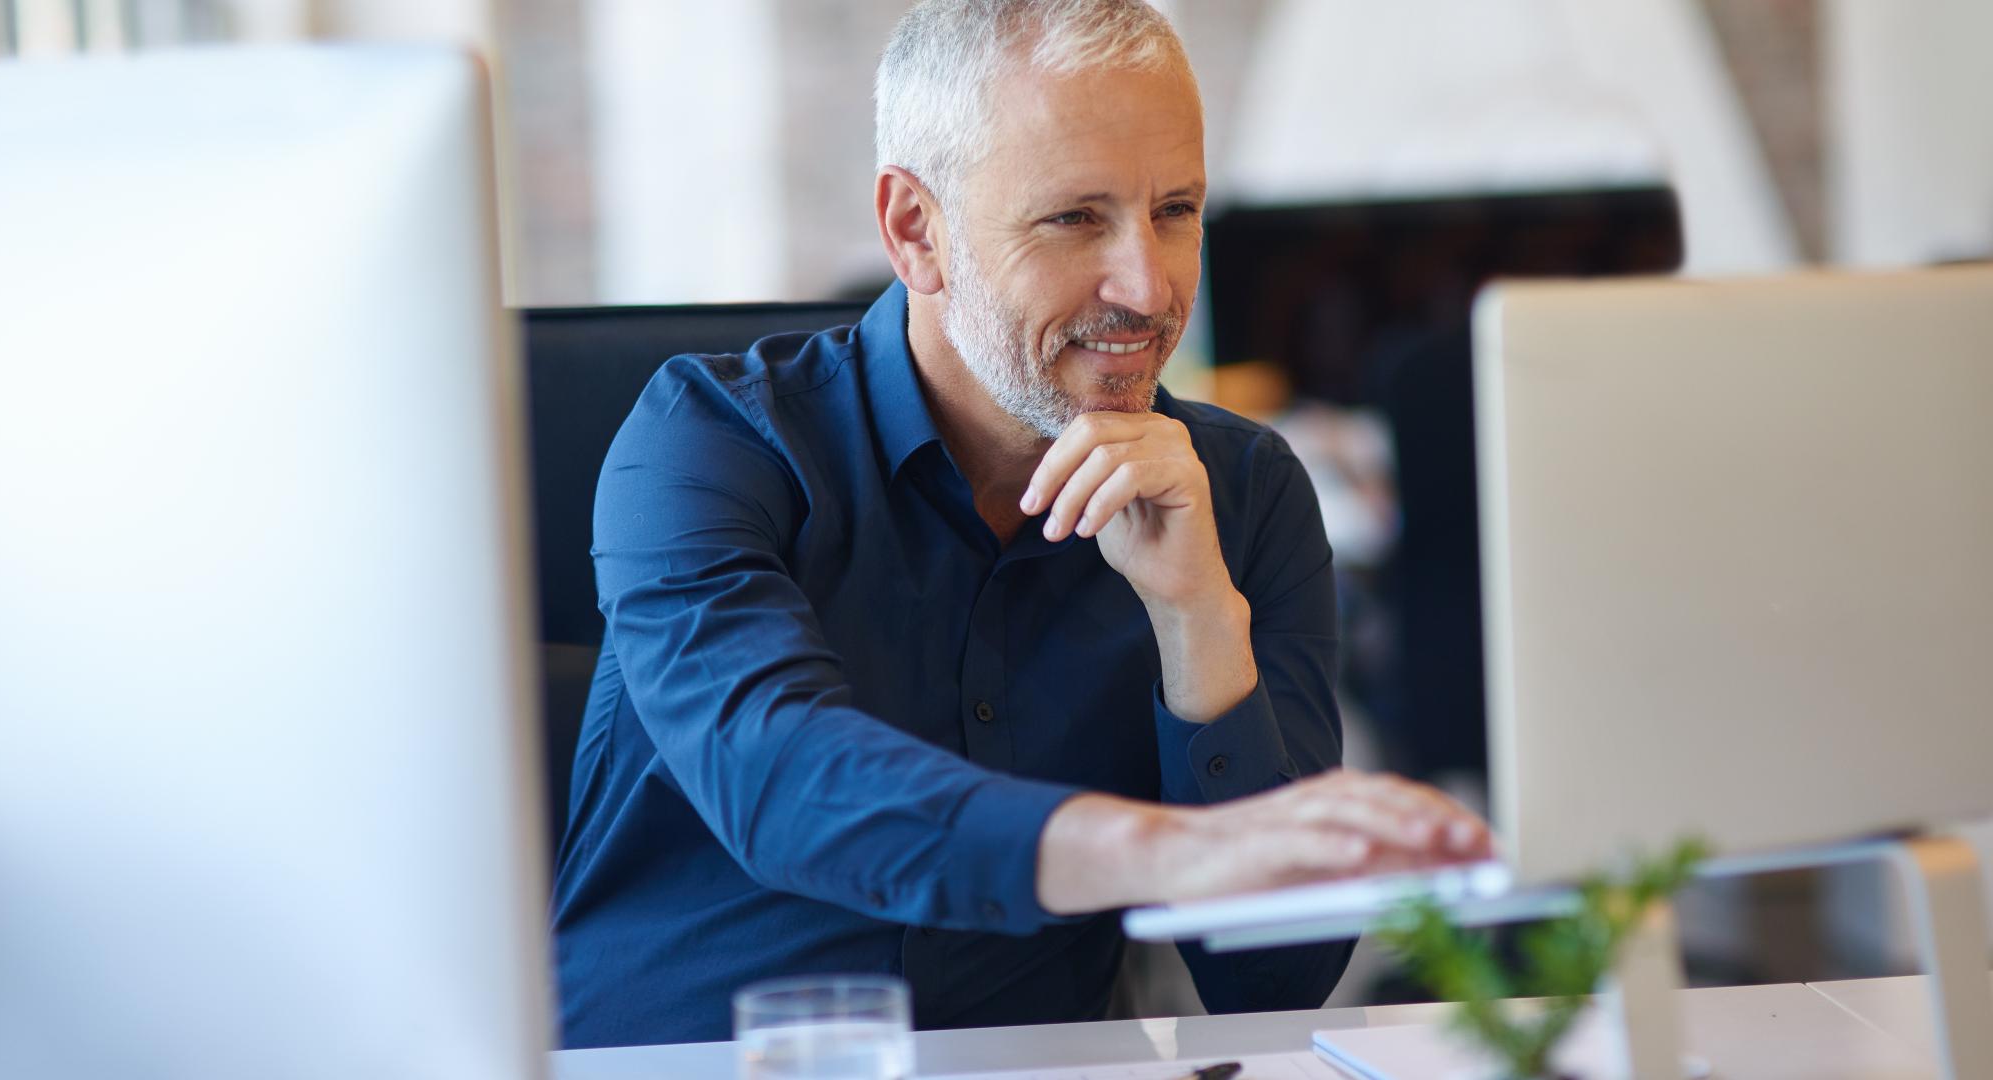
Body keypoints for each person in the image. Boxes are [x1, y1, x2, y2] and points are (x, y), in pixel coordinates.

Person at [551, 0, 1490, 1049]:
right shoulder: (708, 443)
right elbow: (781, 778)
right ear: (916, 229)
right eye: (1074, 219)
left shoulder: (1241, 489)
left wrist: (1195, 621)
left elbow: (1272, 980)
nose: (1148, 287)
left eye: (1174, 210)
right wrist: (1169, 851)